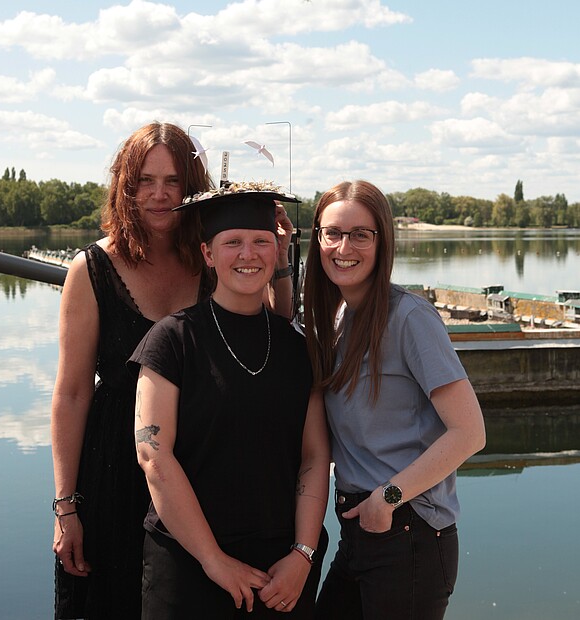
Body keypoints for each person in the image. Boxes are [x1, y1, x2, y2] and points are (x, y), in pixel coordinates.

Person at [51, 124, 296, 619]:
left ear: (192, 187)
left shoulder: (210, 259)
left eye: (173, 181)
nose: (160, 194)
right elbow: (72, 394)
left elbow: (273, 332)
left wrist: (282, 257)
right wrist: (65, 506)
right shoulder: (92, 268)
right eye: (145, 180)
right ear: (126, 187)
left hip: (198, 467)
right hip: (114, 468)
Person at [128, 183, 330, 619]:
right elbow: (153, 454)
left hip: (281, 571)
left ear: (276, 251)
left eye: (261, 241)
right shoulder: (173, 340)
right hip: (188, 565)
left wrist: (304, 554)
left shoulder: (299, 350)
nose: (248, 254)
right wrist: (213, 560)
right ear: (207, 254)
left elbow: (314, 457)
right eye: (232, 242)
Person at [303, 180, 486, 620]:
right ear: (317, 239)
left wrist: (387, 498)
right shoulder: (338, 318)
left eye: (360, 234)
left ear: (382, 241)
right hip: (360, 531)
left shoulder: (410, 318)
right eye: (333, 233)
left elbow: (469, 433)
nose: (344, 247)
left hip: (408, 530)